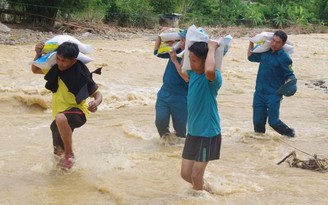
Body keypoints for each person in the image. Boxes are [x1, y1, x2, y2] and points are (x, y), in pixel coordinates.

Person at [31, 41, 103, 169]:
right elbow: (35, 69)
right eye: (58, 58)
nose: (59, 63)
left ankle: (70, 154)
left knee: (61, 118)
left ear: (73, 61)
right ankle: (65, 181)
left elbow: (98, 95)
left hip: (78, 112)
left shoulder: (80, 73)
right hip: (58, 117)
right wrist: (37, 54)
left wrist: (95, 103)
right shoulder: (55, 68)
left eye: (63, 61)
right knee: (58, 155)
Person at [170, 40, 222, 192]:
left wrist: (211, 49)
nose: (191, 63)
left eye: (194, 60)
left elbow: (210, 71)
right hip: (193, 132)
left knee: (196, 176)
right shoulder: (193, 75)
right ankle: (208, 191)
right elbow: (185, 75)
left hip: (208, 133)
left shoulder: (212, 79)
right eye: (190, 59)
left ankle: (199, 199)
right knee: (186, 174)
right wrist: (174, 60)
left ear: (205, 61)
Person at [247, 30, 296, 137]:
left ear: (283, 44)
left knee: (273, 122)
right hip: (259, 93)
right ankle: (260, 146)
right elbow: (251, 57)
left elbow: (290, 75)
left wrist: (290, 83)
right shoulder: (265, 52)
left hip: (274, 94)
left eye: (278, 42)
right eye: (273, 40)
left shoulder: (284, 58)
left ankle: (291, 135)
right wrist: (251, 41)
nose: (274, 44)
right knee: (258, 122)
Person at [153, 28, 188, 139]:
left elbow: (188, 78)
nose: (181, 42)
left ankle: (176, 152)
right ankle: (165, 147)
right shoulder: (176, 50)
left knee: (181, 132)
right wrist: (160, 36)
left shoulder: (194, 58)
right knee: (160, 122)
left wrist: (175, 60)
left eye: (183, 40)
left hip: (182, 96)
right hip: (165, 93)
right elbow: (157, 52)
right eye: (181, 40)